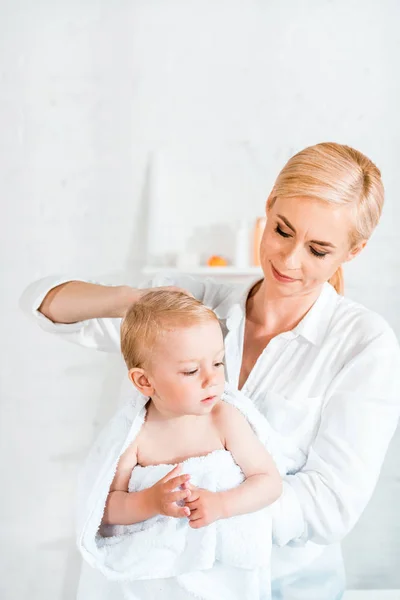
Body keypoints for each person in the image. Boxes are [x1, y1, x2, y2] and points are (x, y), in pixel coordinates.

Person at [20, 142, 400, 600]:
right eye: (282, 230)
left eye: (318, 250)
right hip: (154, 581)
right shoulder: (196, 306)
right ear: (269, 208)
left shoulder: (364, 345)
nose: (289, 259)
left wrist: (209, 510)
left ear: (353, 252)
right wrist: (132, 302)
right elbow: (40, 304)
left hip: (284, 585)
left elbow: (330, 507)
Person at [91, 288, 281, 598]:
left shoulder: (223, 419)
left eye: (218, 364)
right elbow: (107, 507)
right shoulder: (135, 435)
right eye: (191, 370)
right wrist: (150, 502)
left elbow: (269, 482)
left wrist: (222, 504)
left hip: (221, 577)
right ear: (144, 381)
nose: (212, 380)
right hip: (158, 579)